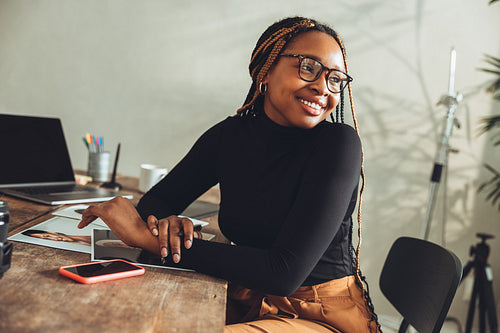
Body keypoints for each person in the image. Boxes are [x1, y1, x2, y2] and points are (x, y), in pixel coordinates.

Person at [78, 16, 380, 332]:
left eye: (335, 79)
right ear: (265, 69)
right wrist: (169, 226)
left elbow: (282, 273)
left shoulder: (338, 144)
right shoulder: (231, 136)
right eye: (308, 67)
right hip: (244, 295)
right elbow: (160, 198)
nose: (322, 87)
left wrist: (145, 237)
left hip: (319, 315)